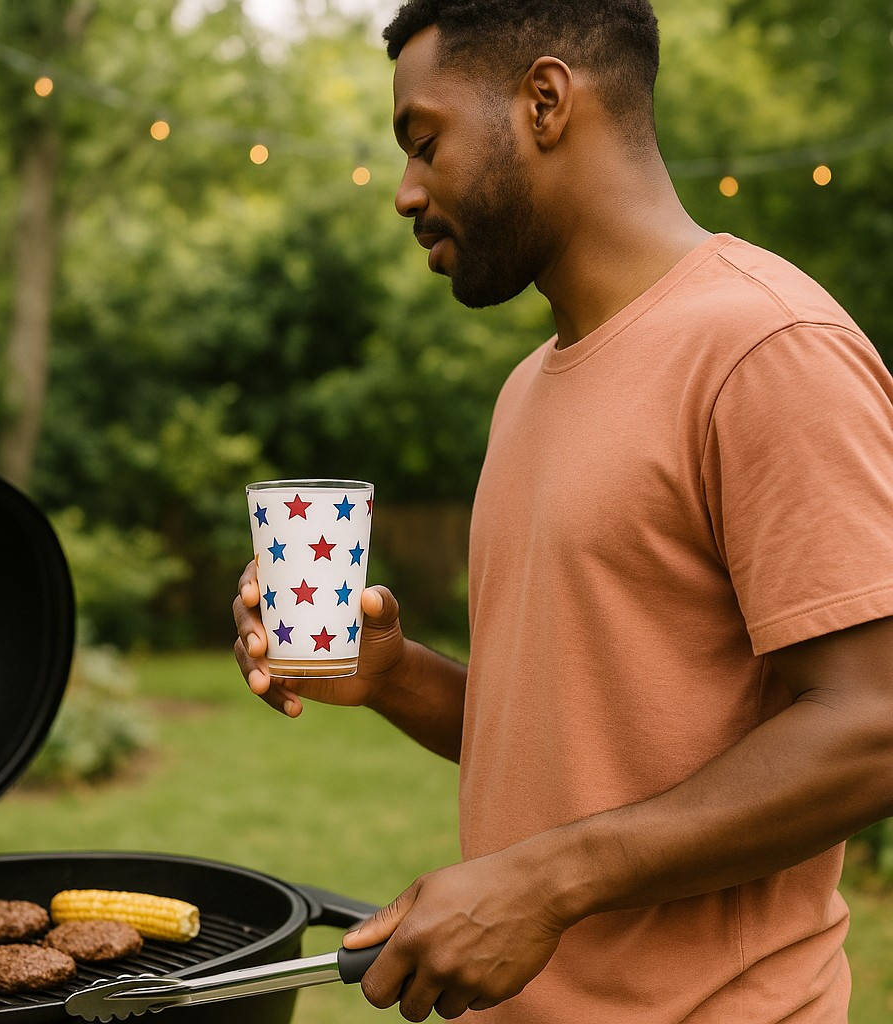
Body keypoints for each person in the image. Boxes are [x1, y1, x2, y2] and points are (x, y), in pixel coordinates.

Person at [234, 1, 893, 1020]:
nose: (405, 192)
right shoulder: (528, 388)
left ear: (544, 100)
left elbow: (872, 725)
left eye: (423, 141)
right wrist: (393, 676)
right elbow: (584, 749)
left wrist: (546, 882)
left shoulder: (765, 346)